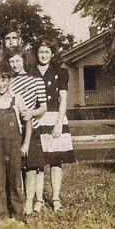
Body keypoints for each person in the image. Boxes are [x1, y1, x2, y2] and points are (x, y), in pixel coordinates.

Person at [0, 64, 32, 224]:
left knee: (15, 181)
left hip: (14, 145)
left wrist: (26, 144)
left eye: (4, 79)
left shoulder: (17, 99)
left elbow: (28, 121)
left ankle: (18, 215)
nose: (0, 84)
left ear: (10, 80)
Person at [30, 40, 75, 212]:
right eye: (40, 52)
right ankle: (39, 199)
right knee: (38, 162)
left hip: (55, 117)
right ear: (36, 53)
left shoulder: (61, 72)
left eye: (47, 52)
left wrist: (58, 123)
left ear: (52, 54)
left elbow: (63, 99)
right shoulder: (31, 72)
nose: (43, 55)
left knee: (56, 161)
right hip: (37, 119)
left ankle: (56, 198)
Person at [4, 46, 48, 214]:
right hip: (12, 129)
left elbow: (43, 107)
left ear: (24, 60)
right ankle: (18, 201)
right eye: (11, 61)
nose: (14, 64)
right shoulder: (8, 81)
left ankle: (29, 202)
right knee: (15, 167)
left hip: (32, 128)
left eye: (17, 61)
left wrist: (32, 113)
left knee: (31, 168)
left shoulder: (35, 79)